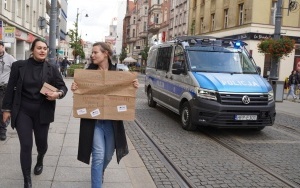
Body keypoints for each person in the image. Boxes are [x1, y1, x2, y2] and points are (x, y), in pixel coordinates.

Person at [1, 38, 68, 188]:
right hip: (23, 111)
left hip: (42, 112)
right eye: (39, 48)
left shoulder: (52, 68)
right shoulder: (19, 66)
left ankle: (40, 159)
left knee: (41, 144)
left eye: (45, 48)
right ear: (32, 50)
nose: (43, 50)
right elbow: (10, 87)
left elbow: (62, 87)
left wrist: (58, 94)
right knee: (26, 145)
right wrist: (6, 109)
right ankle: (27, 181)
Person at [71, 42, 139, 188]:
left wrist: (132, 86)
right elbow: (80, 96)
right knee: (98, 156)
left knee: (108, 155)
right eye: (92, 53)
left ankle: (99, 172)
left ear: (106, 53)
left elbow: (125, 94)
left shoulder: (118, 73)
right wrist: (75, 89)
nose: (92, 55)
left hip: (111, 123)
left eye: (96, 52)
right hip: (93, 123)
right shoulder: (87, 73)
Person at [0, 40, 16, 141]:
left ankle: (3, 130)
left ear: (3, 47)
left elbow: (17, 70)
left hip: (4, 89)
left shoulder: (10, 58)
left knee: (3, 110)